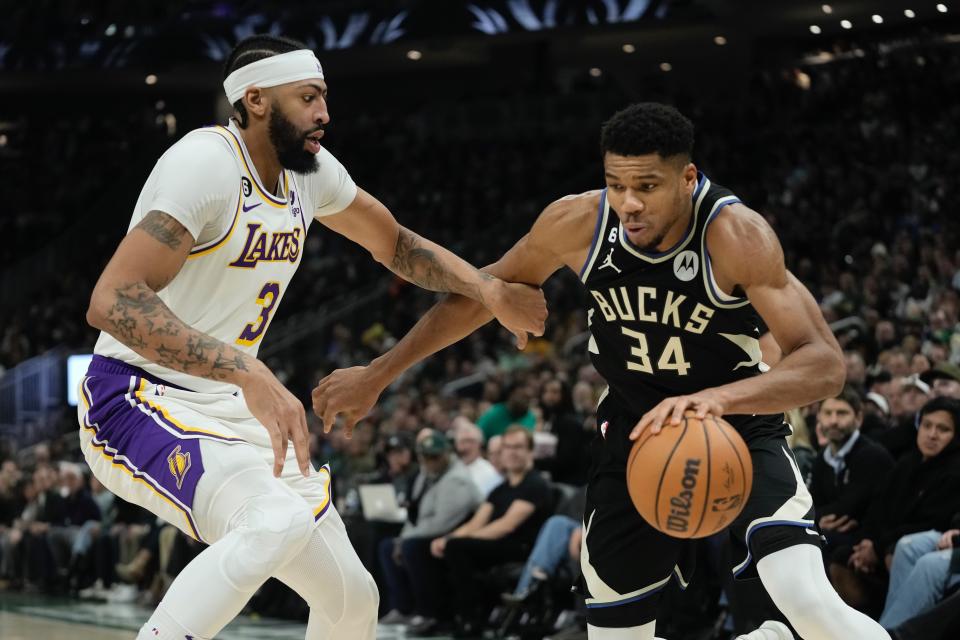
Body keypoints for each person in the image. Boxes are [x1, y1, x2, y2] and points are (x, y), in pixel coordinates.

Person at [314, 103, 890, 639]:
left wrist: (718, 400)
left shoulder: (737, 237)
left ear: (688, 179)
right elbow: (476, 296)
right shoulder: (578, 223)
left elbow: (824, 364)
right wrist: (378, 374)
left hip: (737, 430)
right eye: (617, 184)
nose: (628, 202)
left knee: (809, 603)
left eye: (647, 186)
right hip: (634, 441)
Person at [79, 34, 546, 640]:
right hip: (138, 396)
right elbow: (111, 299)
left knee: (353, 601)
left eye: (324, 96)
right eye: (308, 96)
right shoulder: (205, 163)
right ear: (255, 100)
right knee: (270, 523)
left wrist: (487, 290)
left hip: (228, 403)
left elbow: (397, 244)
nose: (324, 113)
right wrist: (246, 370)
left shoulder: (311, 174)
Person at [830, 397, 960, 617]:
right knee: (839, 552)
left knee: (902, 550)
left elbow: (935, 522)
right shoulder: (907, 464)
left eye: (943, 429)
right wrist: (868, 542)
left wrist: (879, 547)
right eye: (927, 426)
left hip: (908, 546)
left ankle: (886, 630)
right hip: (885, 545)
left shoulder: (955, 470)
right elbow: (877, 508)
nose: (932, 434)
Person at [810, 387, 895, 554]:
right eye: (827, 413)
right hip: (839, 534)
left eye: (842, 413)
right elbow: (812, 503)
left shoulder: (871, 455)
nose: (833, 421)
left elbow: (849, 508)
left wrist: (816, 518)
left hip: (870, 537)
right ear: (819, 417)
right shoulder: (821, 458)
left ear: (858, 418)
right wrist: (817, 519)